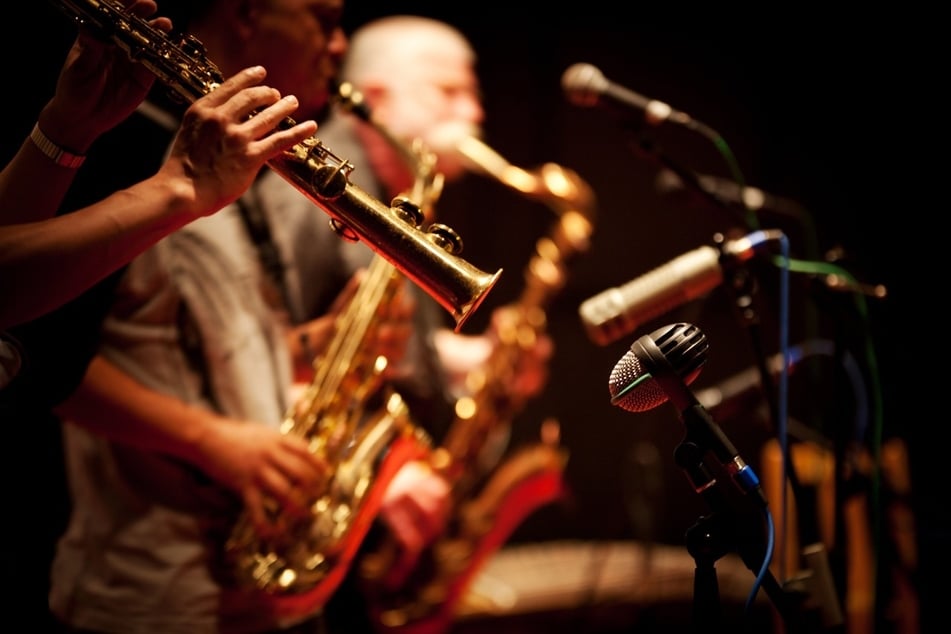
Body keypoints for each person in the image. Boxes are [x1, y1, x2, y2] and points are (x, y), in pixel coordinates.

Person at [37, 1, 451, 632]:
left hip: (255, 594)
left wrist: (317, 346)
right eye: (322, 18)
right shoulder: (129, 144)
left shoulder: (242, 159)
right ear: (251, 12)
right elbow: (40, 355)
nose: (339, 45)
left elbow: (178, 339)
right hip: (154, 595)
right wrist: (212, 441)